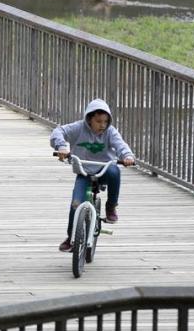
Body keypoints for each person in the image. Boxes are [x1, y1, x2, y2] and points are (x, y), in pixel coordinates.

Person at [51, 98, 135, 253]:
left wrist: (127, 156)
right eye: (98, 121)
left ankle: (111, 206)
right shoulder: (78, 128)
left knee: (115, 171)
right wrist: (62, 146)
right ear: (89, 119)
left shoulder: (110, 131)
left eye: (105, 121)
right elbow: (59, 131)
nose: (102, 125)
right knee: (76, 203)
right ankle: (71, 238)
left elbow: (120, 145)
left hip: (104, 169)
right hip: (84, 172)